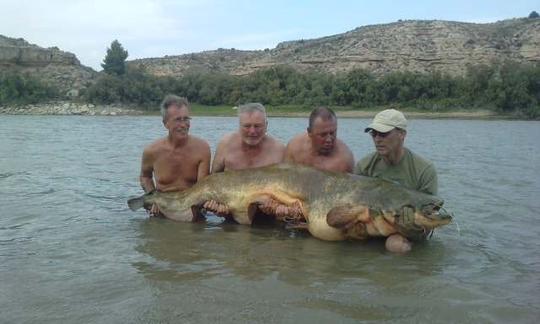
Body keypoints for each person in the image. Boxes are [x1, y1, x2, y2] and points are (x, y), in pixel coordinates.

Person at [355, 109, 438, 253]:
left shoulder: (424, 170)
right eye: (373, 133)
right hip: (371, 226)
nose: (377, 139)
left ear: (402, 134)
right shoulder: (364, 166)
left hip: (405, 232)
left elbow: (430, 219)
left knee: (396, 246)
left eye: (384, 134)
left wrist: (411, 228)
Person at [204, 102, 286, 216]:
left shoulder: (279, 150)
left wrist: (279, 207)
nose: (252, 131)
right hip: (230, 216)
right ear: (239, 125)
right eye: (247, 126)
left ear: (266, 125)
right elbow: (211, 182)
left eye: (257, 126)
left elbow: (287, 191)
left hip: (267, 218)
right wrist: (216, 204)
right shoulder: (225, 145)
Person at [140, 95, 211, 216]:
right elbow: (145, 177)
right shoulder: (151, 151)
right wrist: (153, 197)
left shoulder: (202, 149)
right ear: (165, 123)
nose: (183, 125)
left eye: (186, 119)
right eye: (178, 120)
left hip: (193, 210)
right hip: (162, 210)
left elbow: (202, 188)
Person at [285, 107, 354, 173]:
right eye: (323, 135)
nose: (329, 140)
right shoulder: (295, 148)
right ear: (310, 132)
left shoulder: (344, 160)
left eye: (332, 133)